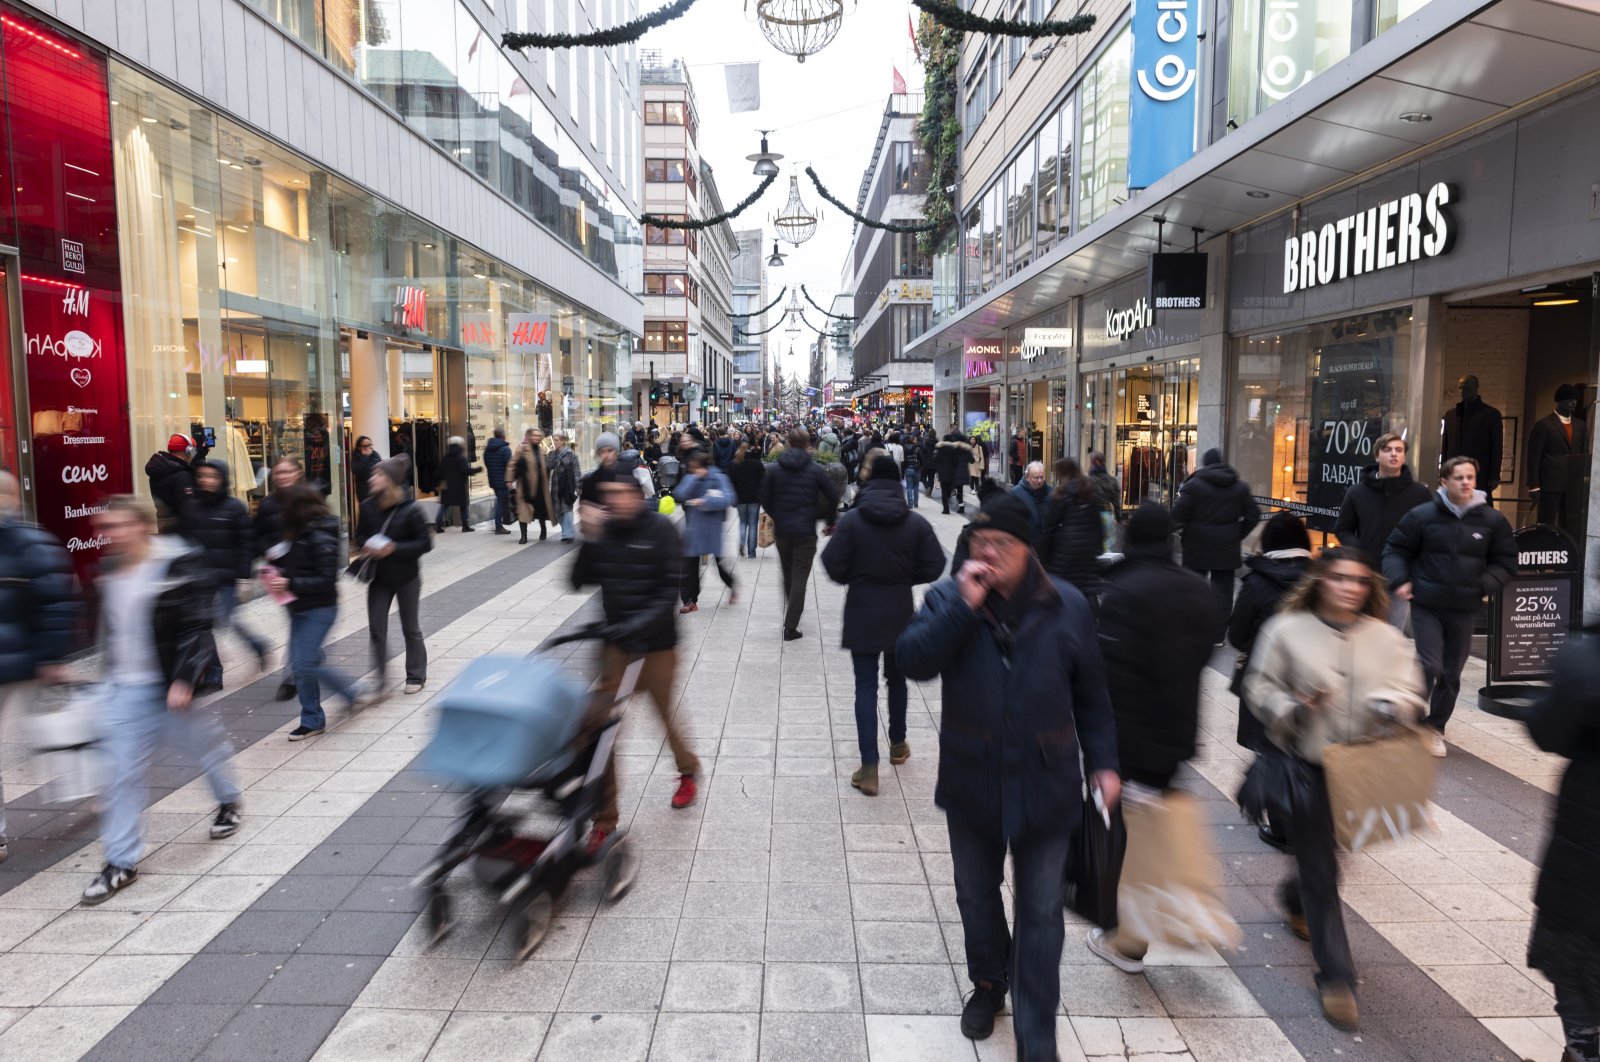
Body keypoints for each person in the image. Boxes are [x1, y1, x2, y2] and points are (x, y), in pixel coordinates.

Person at [898, 492, 1120, 1056]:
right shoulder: (950, 596)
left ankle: (1037, 1036)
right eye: (980, 543)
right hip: (972, 777)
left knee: (1041, 910)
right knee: (975, 894)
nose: (990, 554)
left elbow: (1092, 695)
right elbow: (911, 661)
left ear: (1029, 550)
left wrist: (1103, 764)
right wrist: (961, 607)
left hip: (1046, 783)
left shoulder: (1067, 605)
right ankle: (989, 983)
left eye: (1003, 544)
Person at [1243, 548, 1426, 1031]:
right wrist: (1295, 706)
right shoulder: (1285, 630)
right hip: (1309, 767)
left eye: (1360, 581)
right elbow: (1258, 687)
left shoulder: (1387, 637)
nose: (1350, 588)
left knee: (1328, 857)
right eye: (1341, 579)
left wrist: (1398, 705)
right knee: (1323, 869)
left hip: (1365, 766)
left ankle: (1294, 896)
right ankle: (1338, 977)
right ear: (1321, 581)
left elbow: (1412, 691)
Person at [82, 495, 241, 905]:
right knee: (121, 775)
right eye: (103, 528)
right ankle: (120, 861)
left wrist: (184, 678)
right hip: (126, 689)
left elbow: (196, 623)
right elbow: (115, 631)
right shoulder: (112, 569)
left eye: (115, 527)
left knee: (204, 748)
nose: (107, 536)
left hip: (171, 684)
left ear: (140, 525)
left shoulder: (176, 563)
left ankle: (228, 801)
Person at [1086, 502, 1223, 972]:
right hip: (1176, 731)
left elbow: (1110, 674)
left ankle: (1129, 939)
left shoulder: (1123, 591)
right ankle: (1144, 925)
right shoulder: (1198, 589)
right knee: (1149, 828)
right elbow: (1204, 651)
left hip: (1128, 737)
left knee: (1124, 837)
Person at [574, 467, 697, 852]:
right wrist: (589, 537)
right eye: (607, 496)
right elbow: (577, 580)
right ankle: (605, 819)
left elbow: (667, 595)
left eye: (620, 494)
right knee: (600, 729)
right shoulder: (605, 531)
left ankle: (688, 770)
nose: (613, 502)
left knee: (663, 714)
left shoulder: (661, 529)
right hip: (616, 648)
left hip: (658, 645)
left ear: (635, 494)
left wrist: (637, 627)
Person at [822, 455, 945, 797]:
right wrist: (906, 577)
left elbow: (831, 563)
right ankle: (899, 743)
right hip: (900, 611)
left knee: (865, 687)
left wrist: (855, 577)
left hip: (862, 610)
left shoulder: (853, 521)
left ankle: (869, 766)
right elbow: (936, 564)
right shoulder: (915, 523)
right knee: (897, 678)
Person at [1382, 456, 1516, 757]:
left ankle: (1434, 728)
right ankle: (1412, 720)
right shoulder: (1422, 516)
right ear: (1445, 481)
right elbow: (1395, 549)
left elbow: (1506, 561)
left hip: (1464, 607)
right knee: (1430, 663)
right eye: (1459, 477)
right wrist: (1400, 579)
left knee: (1451, 674)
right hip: (1427, 603)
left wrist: (1483, 584)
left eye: (1471, 477)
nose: (1466, 482)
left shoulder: (1492, 520)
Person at [1526, 622, 1600, 1062]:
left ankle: (1583, 1046)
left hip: (1590, 821)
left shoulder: (1587, 655)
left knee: (1572, 946)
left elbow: (1548, 731)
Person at [0, 472, 77, 864]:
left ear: (12, 498)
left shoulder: (29, 542)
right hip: (23, 659)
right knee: (55, 734)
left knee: (55, 735)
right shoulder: (33, 541)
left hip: (30, 659)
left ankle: (90, 788)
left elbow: (56, 601)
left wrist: (51, 657)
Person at [1227, 510, 1313, 848]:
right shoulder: (1324, 579)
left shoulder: (1257, 582)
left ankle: (1281, 828)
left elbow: (1236, 634)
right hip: (1314, 678)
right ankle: (1318, 822)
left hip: (1268, 677)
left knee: (1272, 746)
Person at [265, 484, 371, 739]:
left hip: (320, 609)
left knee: (303, 663)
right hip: (297, 606)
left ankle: (325, 709)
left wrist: (289, 582)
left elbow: (325, 579)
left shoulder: (321, 535)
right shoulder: (295, 534)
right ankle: (332, 706)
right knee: (305, 663)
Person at [1333, 432, 1430, 626]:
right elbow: (1343, 529)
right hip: (1366, 574)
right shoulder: (1357, 492)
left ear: (1404, 456)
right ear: (1377, 456)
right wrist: (1360, 551)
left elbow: (1431, 532)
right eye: (1387, 450)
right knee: (1359, 630)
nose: (1393, 454)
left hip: (1401, 576)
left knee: (1393, 633)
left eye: (1399, 450)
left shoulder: (1420, 493)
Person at [355, 454, 433, 696]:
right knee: (377, 628)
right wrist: (366, 545)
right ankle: (380, 678)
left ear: (390, 480)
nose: (372, 478)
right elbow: (359, 537)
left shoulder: (410, 509)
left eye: (378, 475)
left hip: (406, 576)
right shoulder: (367, 507)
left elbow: (425, 543)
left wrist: (395, 548)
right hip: (379, 576)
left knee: (411, 627)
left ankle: (416, 675)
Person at [185, 460, 269, 682]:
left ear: (222, 480)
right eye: (202, 476)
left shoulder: (234, 507)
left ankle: (257, 645)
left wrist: (244, 578)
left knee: (227, 620)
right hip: (200, 579)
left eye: (212, 477)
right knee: (203, 626)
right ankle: (214, 674)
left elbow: (246, 544)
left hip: (227, 578)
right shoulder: (192, 506)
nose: (207, 481)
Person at [759, 429, 842, 641]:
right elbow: (833, 495)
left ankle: (792, 611)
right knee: (800, 577)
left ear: (788, 445)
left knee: (788, 574)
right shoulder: (815, 470)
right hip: (805, 531)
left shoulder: (774, 469)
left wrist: (777, 514)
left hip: (783, 531)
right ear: (807, 445)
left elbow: (765, 498)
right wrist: (830, 520)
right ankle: (791, 625)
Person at [1172, 448, 1261, 614]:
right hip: (1226, 548)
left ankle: (1194, 629)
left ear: (1204, 464)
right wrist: (1236, 534)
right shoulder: (1240, 487)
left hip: (1196, 547)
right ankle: (1218, 636)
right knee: (1223, 594)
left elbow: (1178, 515)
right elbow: (1253, 515)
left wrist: (1181, 532)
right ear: (1221, 462)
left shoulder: (1193, 486)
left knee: (1193, 590)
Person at [255, 455, 305, 702]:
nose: (282, 476)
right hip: (280, 575)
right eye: (278, 473)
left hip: (306, 572)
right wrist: (269, 549)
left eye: (287, 472)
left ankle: (291, 676)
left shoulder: (308, 499)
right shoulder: (267, 505)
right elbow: (258, 535)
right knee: (297, 622)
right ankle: (297, 667)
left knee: (300, 624)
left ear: (298, 473)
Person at [1039, 458, 1105, 608]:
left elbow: (1049, 526)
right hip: (1088, 550)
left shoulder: (1060, 493)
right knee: (1087, 587)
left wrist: (1045, 554)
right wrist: (1098, 548)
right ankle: (1092, 622)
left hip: (1066, 550)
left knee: (1067, 590)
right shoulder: (1089, 491)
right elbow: (1097, 523)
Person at [676, 451, 736, 613]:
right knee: (689, 567)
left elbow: (729, 498)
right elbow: (679, 494)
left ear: (705, 466)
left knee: (719, 564)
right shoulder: (691, 477)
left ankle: (732, 585)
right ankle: (689, 601)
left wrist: (706, 501)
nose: (694, 471)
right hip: (694, 527)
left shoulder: (718, 478)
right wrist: (694, 480)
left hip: (712, 528)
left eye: (696, 469)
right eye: (692, 469)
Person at [1527, 383, 1588, 529]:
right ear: (1559, 400)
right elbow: (1534, 457)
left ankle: (1568, 551)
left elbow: (1583, 454)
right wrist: (1533, 485)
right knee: (1546, 523)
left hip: (1573, 483)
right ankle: (1543, 548)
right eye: (1569, 399)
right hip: (1550, 483)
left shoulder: (1581, 426)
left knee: (1570, 524)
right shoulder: (1544, 425)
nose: (1573, 403)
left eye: (1575, 400)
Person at [1440, 374, 1502, 499]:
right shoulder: (1451, 415)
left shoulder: (1490, 415)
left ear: (1476, 388)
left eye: (1467, 387)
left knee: (1477, 510)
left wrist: (1494, 474)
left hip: (1480, 472)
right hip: (1454, 472)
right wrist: (1444, 471)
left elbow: (1497, 446)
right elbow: (1445, 445)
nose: (1463, 391)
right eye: (1460, 388)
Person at [145, 433, 206, 529]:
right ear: (188, 451)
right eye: (193, 451)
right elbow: (189, 507)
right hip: (182, 529)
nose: (194, 454)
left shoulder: (161, 469)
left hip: (164, 526)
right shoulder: (181, 476)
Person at [510, 428, 553, 543]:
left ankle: (543, 529)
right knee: (523, 511)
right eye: (534, 435)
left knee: (541, 510)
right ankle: (524, 536)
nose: (537, 438)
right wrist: (509, 480)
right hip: (525, 486)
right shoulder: (522, 449)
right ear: (529, 437)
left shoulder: (543, 451)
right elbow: (512, 464)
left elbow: (546, 468)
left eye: (539, 436)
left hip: (540, 486)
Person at [433, 435, 479, 533]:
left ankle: (438, 525)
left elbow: (438, 472)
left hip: (447, 487)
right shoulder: (460, 458)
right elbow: (466, 470)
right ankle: (465, 526)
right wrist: (476, 470)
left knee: (444, 506)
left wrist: (438, 483)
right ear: (459, 445)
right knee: (463, 506)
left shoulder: (445, 457)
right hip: (459, 486)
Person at [731, 437, 765, 557]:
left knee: (742, 522)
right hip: (754, 498)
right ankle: (751, 552)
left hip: (740, 497)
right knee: (753, 524)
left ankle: (741, 542)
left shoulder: (735, 463)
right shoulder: (757, 464)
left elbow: (732, 482)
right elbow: (763, 481)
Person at [548, 432, 581, 542]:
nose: (555, 442)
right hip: (556, 486)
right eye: (554, 440)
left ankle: (568, 534)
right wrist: (552, 453)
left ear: (563, 441)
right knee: (558, 511)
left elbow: (576, 471)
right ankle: (566, 532)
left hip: (567, 485)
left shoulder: (570, 454)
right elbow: (548, 466)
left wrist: (578, 487)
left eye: (557, 440)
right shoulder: (553, 453)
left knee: (566, 509)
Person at [483, 426, 513, 535]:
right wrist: (510, 480)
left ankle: (497, 523)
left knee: (499, 501)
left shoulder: (487, 449)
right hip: (503, 480)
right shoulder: (505, 449)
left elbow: (487, 464)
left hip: (493, 480)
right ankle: (498, 526)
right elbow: (510, 466)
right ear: (503, 435)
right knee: (501, 503)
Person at [936, 427, 973, 515]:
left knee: (948, 490)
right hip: (963, 473)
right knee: (959, 491)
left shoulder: (952, 449)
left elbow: (950, 460)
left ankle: (948, 506)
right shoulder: (965, 449)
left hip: (954, 473)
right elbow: (972, 460)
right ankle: (961, 507)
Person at [1009, 461, 1049, 538]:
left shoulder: (1051, 492)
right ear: (1027, 477)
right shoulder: (1015, 493)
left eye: (1042, 477)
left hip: (1047, 543)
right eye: (1036, 478)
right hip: (1027, 541)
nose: (1040, 481)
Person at [1088, 452, 1122, 522]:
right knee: (1107, 533)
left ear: (1094, 462)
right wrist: (1118, 519)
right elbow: (1117, 503)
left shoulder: (1086, 481)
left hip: (1089, 516)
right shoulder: (1112, 480)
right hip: (1106, 514)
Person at [350, 435, 381, 508]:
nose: (368, 447)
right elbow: (357, 471)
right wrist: (365, 457)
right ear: (359, 447)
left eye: (370, 445)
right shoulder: (356, 457)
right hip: (364, 491)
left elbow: (380, 467)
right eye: (365, 446)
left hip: (376, 489)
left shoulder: (375, 454)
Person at [900, 431, 923, 509]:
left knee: (909, 487)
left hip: (907, 468)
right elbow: (921, 458)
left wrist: (902, 471)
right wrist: (922, 466)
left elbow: (903, 460)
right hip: (916, 469)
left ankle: (910, 504)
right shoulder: (917, 448)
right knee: (916, 486)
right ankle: (916, 503)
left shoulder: (904, 448)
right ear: (913, 440)